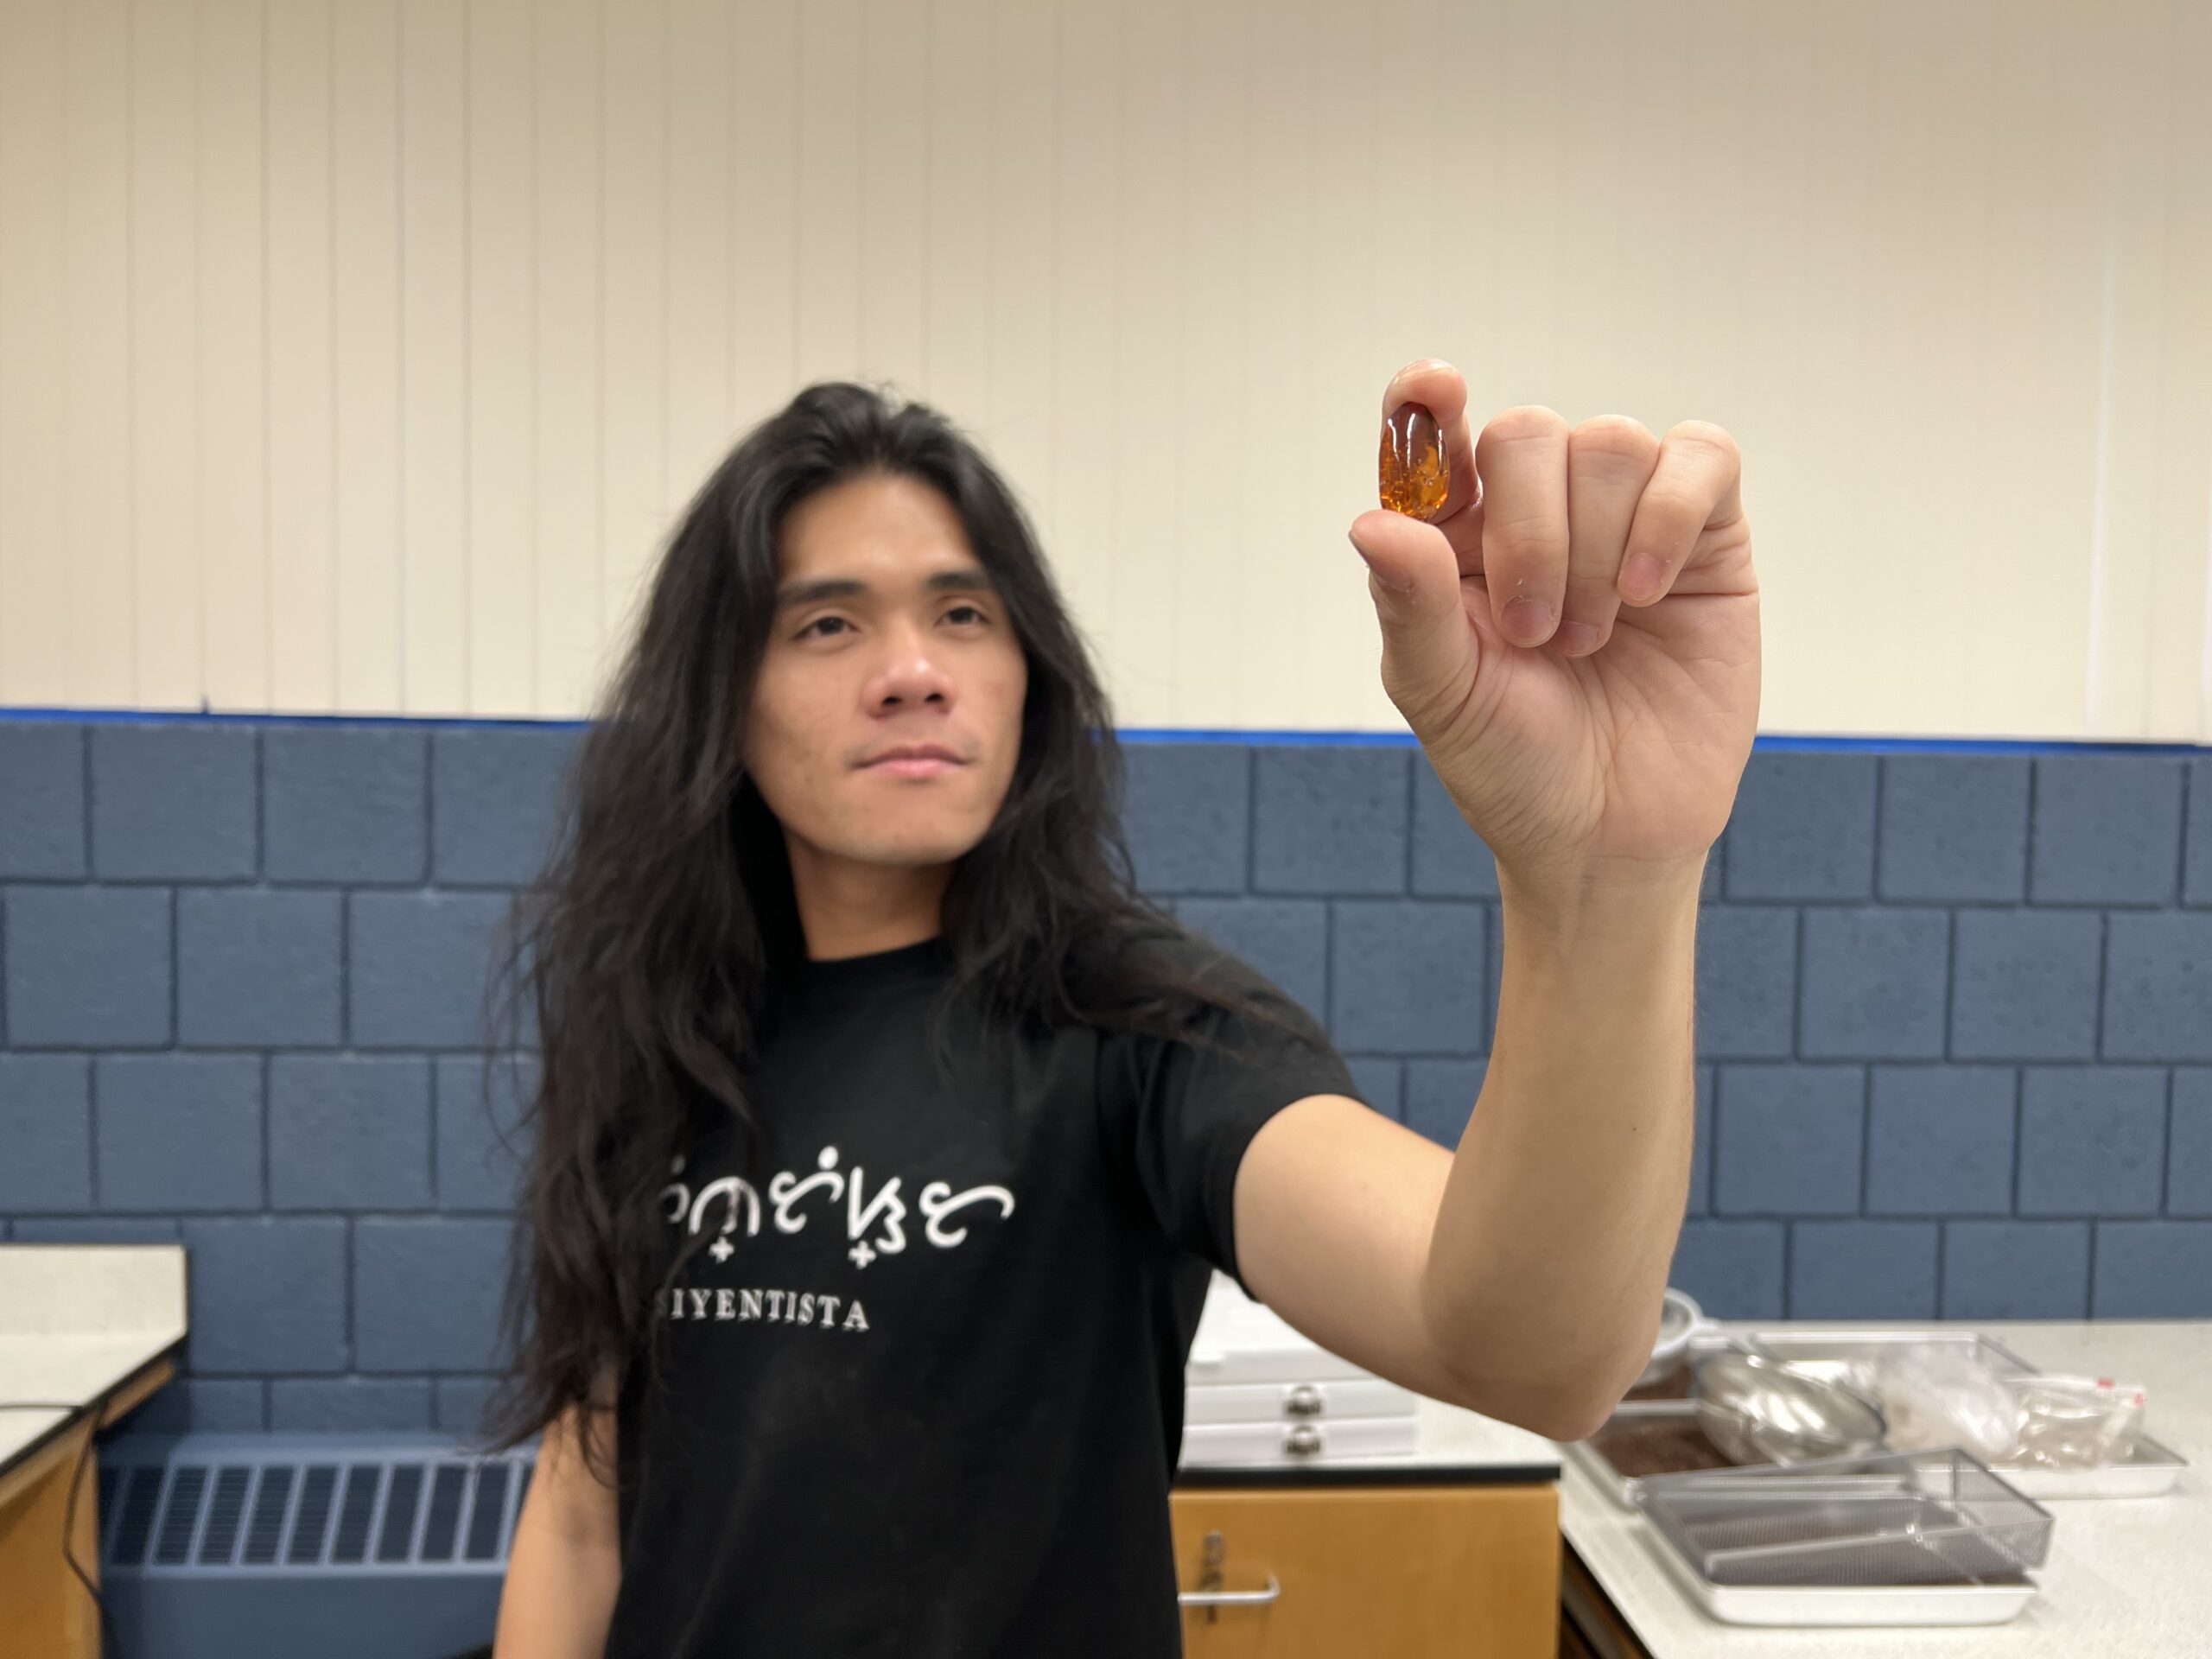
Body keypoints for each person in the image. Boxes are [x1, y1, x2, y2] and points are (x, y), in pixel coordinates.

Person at [477, 363, 1760, 1656]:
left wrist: (1604, 883)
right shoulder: (666, 1025)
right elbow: (586, 1504)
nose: (912, 672)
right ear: (723, 698)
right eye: (827, 626)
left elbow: (1528, 1353)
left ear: (1028, 673)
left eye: (965, 614)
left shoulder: (1139, 1033)